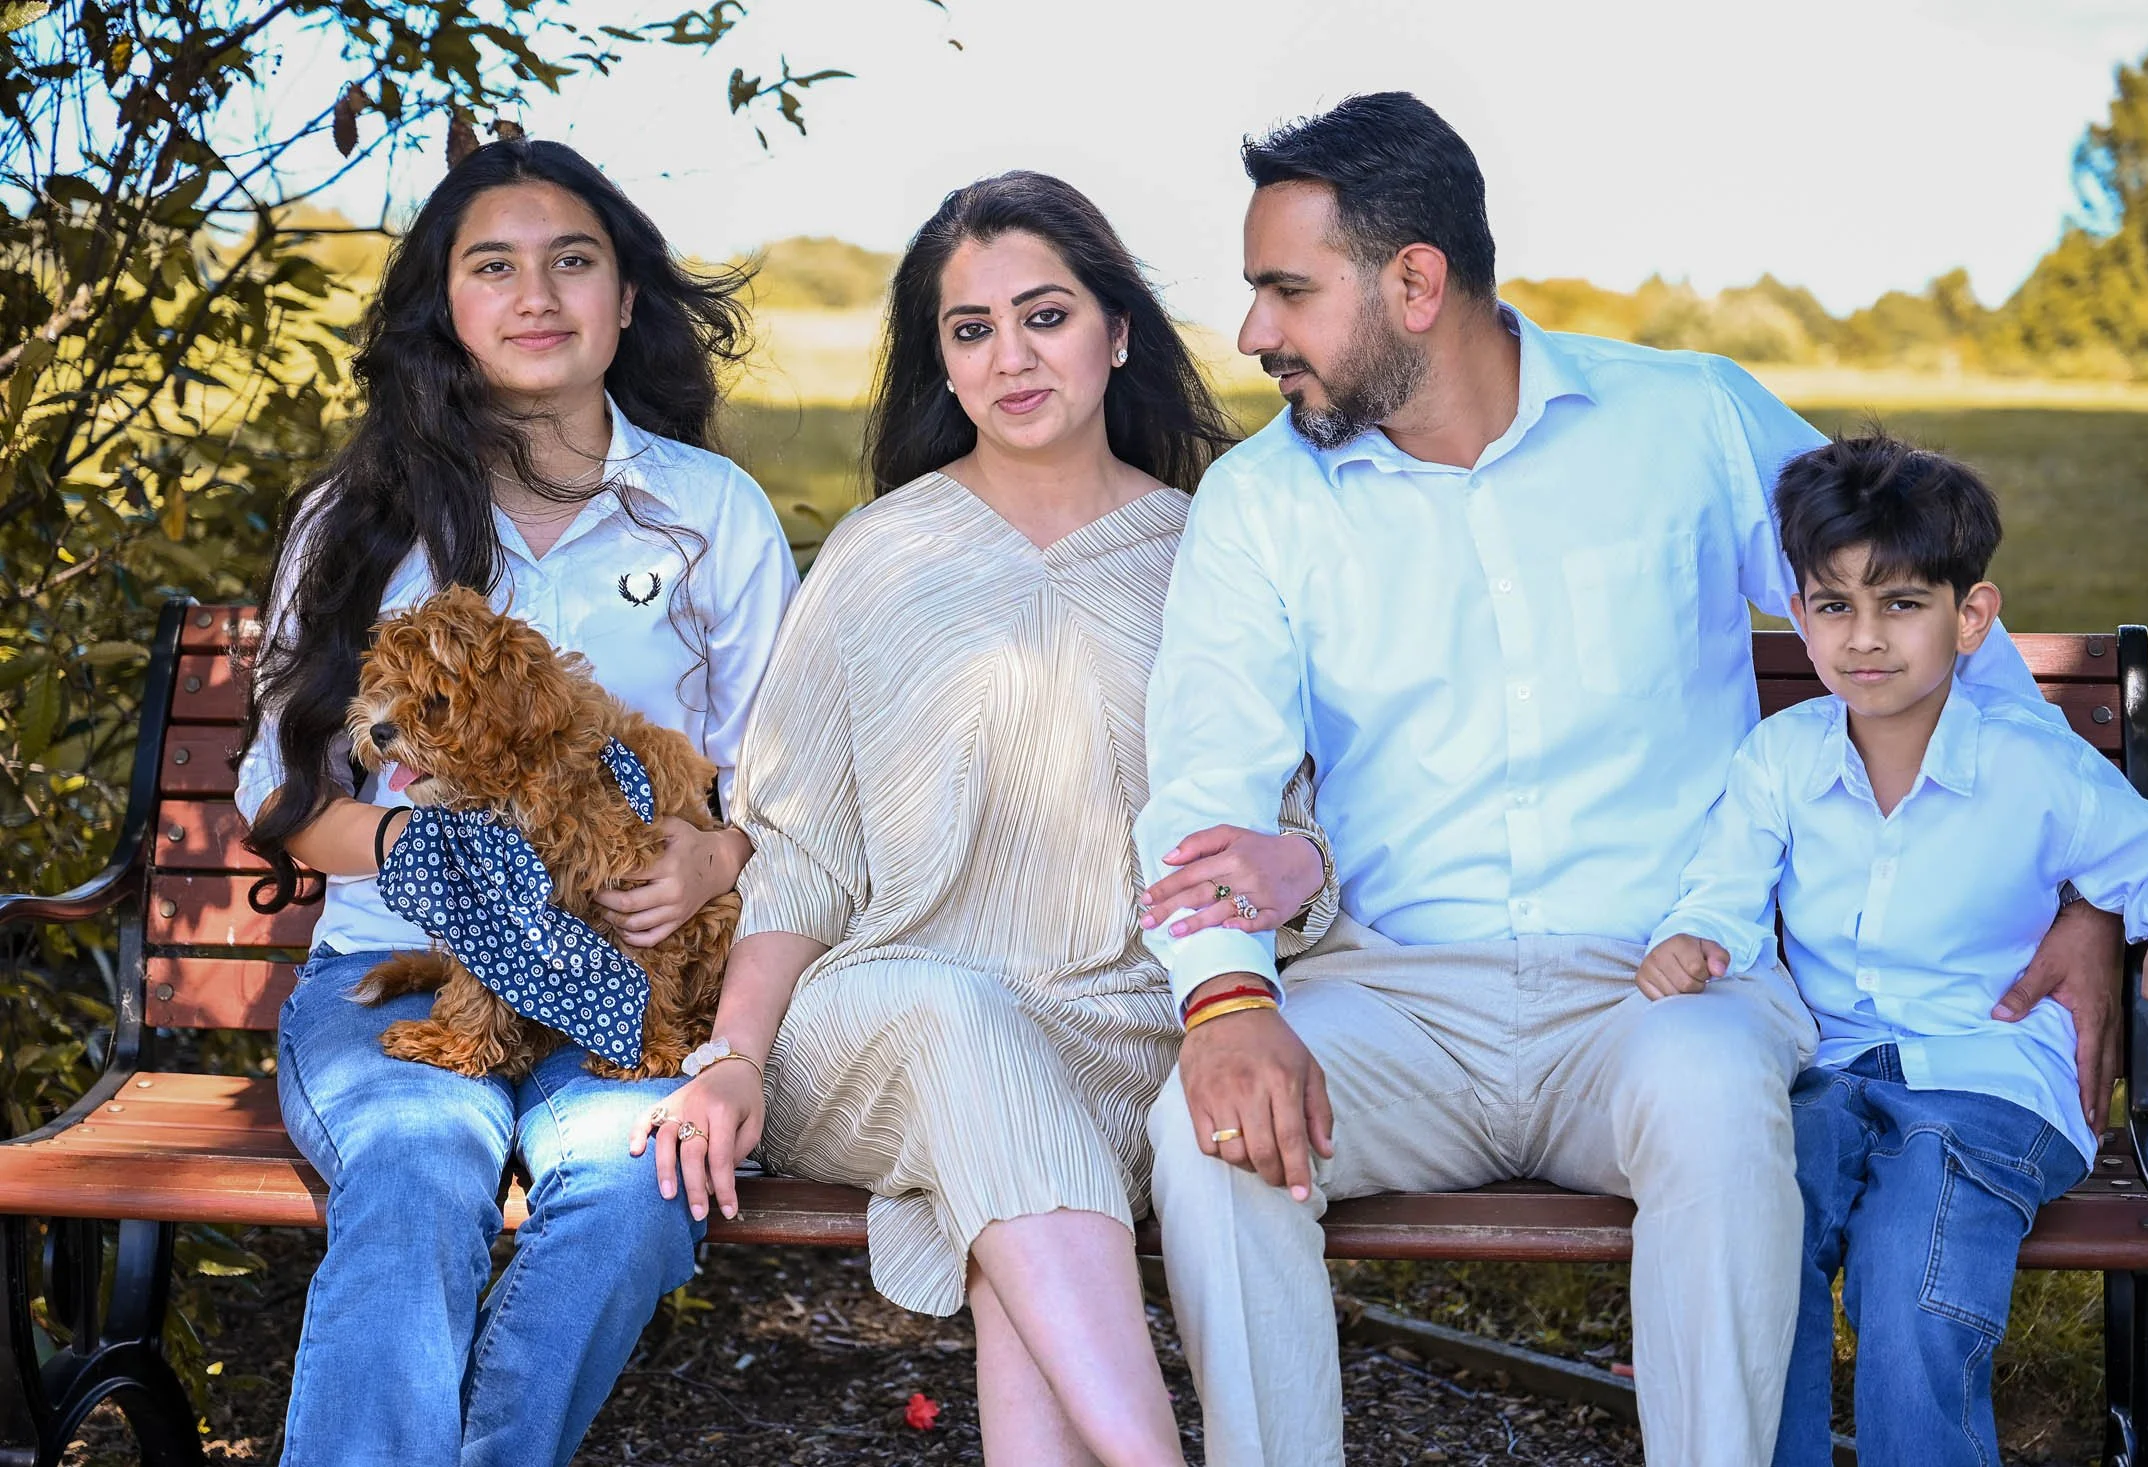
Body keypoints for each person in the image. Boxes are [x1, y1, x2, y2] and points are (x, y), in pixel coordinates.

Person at [1131, 92, 2123, 1467]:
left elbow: (1926, 615)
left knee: (1717, 1089)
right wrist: (1230, 997)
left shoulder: (1689, 423)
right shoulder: (1264, 502)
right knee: (1208, 1126)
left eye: (1286, 291)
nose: (1253, 335)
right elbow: (1203, 783)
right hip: (1397, 993)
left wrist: (2082, 880)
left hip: (1664, 987)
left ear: (1415, 282)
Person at [633, 171, 1334, 1467]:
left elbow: (1280, 832)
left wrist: (1301, 864)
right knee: (968, 1027)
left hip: (1127, 1031)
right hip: (886, 1021)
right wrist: (730, 1054)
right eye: (970, 330)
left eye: (1045, 315)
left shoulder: (1210, 552)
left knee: (1021, 1190)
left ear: (1115, 332)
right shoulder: (876, 556)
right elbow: (799, 856)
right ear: (941, 365)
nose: (1010, 356)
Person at [237, 138, 797, 1467]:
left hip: (630, 980)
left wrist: (716, 857)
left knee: (632, 1183)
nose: (536, 292)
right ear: (448, 304)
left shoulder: (708, 513)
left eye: (573, 261)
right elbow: (281, 789)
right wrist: (438, 852)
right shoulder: (360, 517)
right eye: (495, 265)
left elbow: (793, 778)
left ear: (625, 302)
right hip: (404, 966)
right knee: (418, 1167)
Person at [1638, 433, 2148, 1467]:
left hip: (1990, 1085)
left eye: (1900, 604)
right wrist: (1696, 941)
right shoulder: (1780, 761)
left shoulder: (2034, 770)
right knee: (1764, 1223)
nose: (1864, 638)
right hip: (1830, 1070)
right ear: (1797, 613)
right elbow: (1722, 887)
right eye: (1832, 605)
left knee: (1916, 1270)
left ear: (1969, 617)